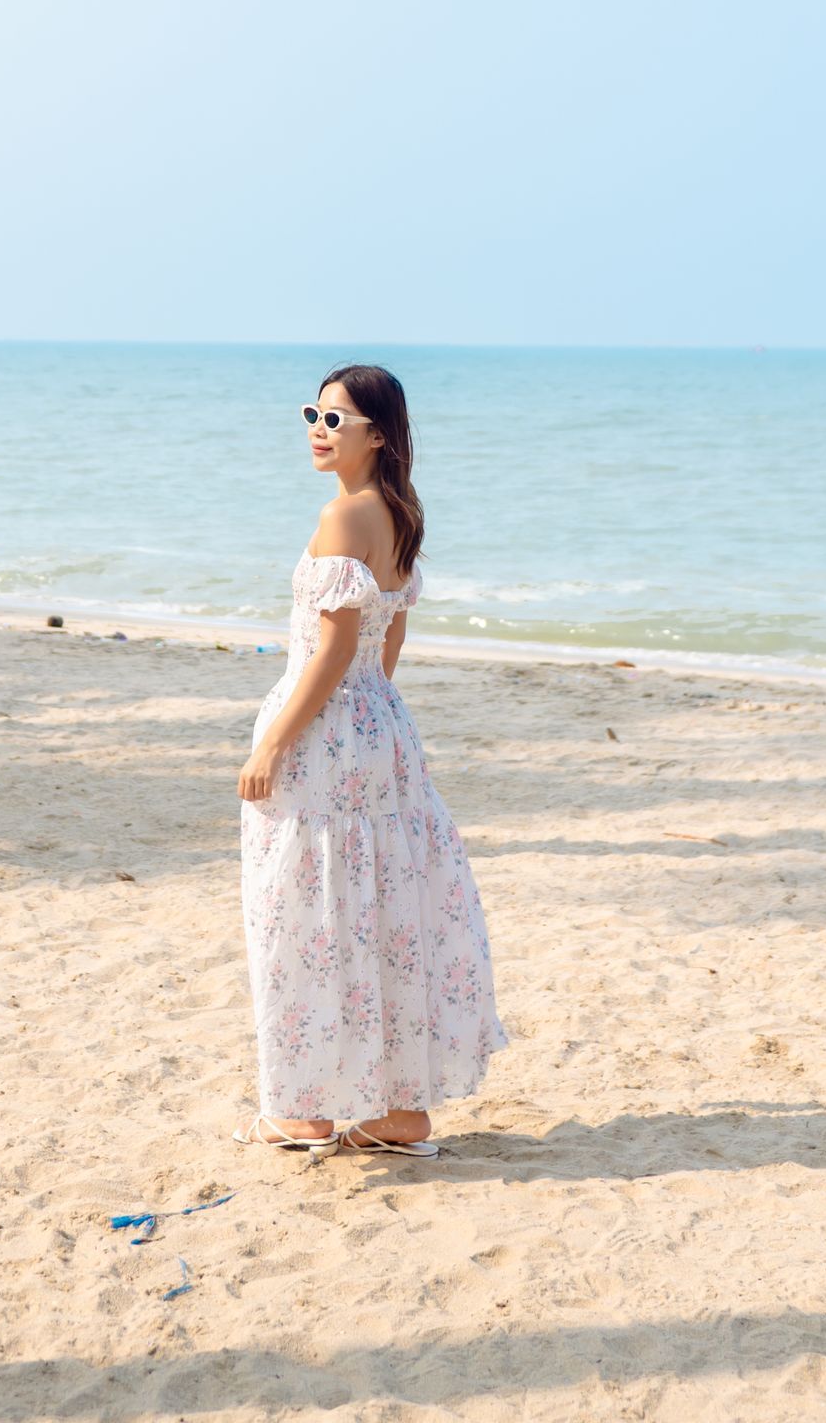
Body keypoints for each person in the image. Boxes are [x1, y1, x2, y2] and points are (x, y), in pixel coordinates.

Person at [235, 364, 506, 1157]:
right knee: (381, 906)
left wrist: (278, 742)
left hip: (327, 728)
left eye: (335, 418)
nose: (319, 429)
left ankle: (306, 1112)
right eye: (312, 414)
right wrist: (366, 716)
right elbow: (387, 644)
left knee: (308, 913)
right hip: (380, 727)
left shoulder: (343, 516)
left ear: (377, 434)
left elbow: (336, 647)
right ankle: (398, 1114)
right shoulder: (400, 514)